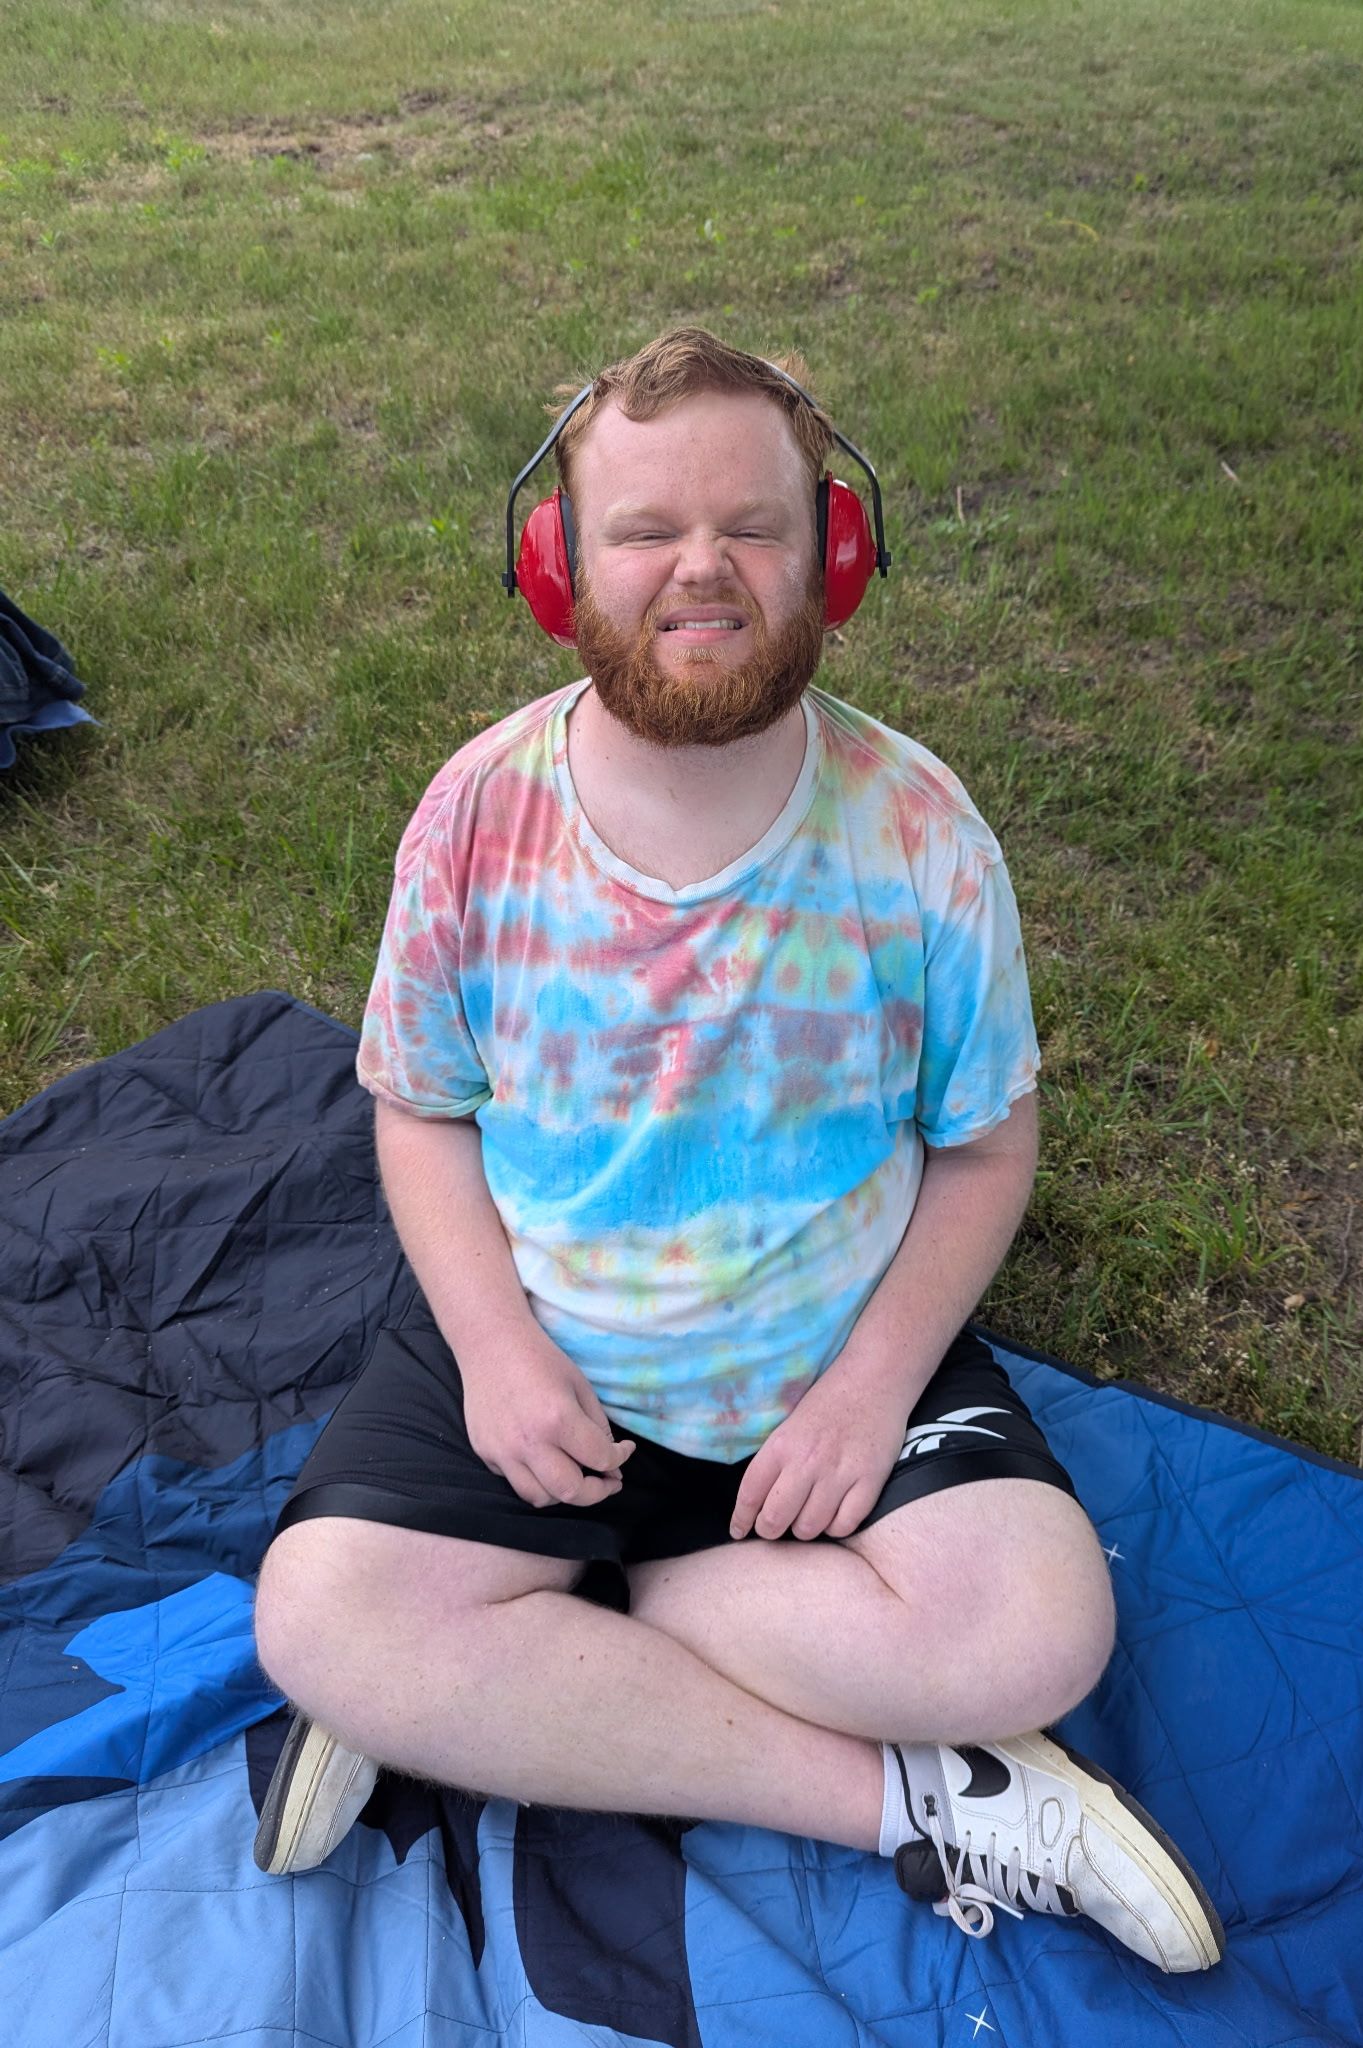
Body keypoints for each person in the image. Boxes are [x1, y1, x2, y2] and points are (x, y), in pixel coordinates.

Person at [252, 327, 1224, 1975]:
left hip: (833, 1346)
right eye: (642, 531)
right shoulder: (475, 812)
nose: (700, 570)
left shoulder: (917, 831)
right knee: (318, 1619)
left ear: (831, 554)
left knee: (1040, 1628)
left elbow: (984, 1148)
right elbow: (419, 1107)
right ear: (558, 564)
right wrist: (491, 1351)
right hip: (549, 1354)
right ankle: (908, 1802)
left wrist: (863, 1394)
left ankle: (532, 1662)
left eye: (754, 529)